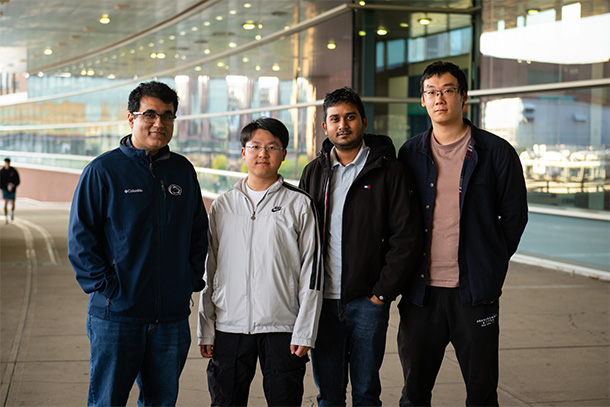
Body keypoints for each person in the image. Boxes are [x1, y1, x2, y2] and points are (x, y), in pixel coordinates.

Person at [68, 81, 208, 407]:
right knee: (107, 401)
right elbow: (81, 240)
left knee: (161, 402)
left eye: (168, 116)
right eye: (150, 115)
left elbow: (198, 232)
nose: (159, 123)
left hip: (170, 319)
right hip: (117, 316)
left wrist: (187, 281)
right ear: (131, 118)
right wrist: (108, 289)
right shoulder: (102, 171)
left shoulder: (182, 171)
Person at [397, 61, 529, 406]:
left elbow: (514, 217)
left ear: (464, 97)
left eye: (448, 90)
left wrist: (491, 259)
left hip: (474, 293)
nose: (439, 98)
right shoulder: (410, 153)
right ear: (422, 101)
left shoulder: (496, 152)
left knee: (482, 393)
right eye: (432, 92)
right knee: (413, 393)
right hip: (419, 293)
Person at [299, 87, 422, 406]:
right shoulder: (314, 171)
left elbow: (406, 237)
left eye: (350, 117)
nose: (343, 124)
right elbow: (299, 234)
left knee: (366, 391)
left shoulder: (389, 171)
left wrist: (382, 293)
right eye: (335, 118)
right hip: (322, 301)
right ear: (324, 126)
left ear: (364, 122)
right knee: (328, 393)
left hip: (367, 301)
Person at [198, 117, 323, 406]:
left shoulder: (300, 204)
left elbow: (312, 272)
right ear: (243, 152)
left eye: (272, 147)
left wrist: (305, 330)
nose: (262, 154)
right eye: (255, 146)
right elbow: (210, 268)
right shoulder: (223, 205)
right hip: (229, 327)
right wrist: (207, 327)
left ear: (284, 154)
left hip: (282, 328)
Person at [1, 158, 20, 224]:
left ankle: (11, 212)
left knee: (12, 204)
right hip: (5, 190)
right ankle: (6, 217)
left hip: (12, 190)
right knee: (5, 203)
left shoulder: (13, 171)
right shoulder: (2, 171)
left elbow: (17, 180)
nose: (7, 164)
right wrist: (4, 187)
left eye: (8, 163)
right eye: (6, 163)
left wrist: (13, 185)